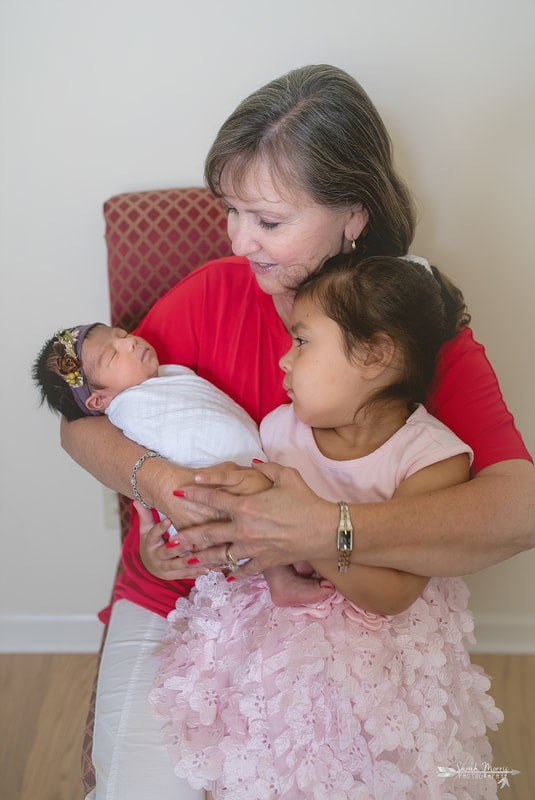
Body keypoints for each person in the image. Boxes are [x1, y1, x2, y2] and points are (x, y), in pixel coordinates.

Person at [58, 64, 534, 800]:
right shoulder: (210, 293)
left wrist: (327, 529)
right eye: (230, 211)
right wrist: (161, 484)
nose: (239, 243)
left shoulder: (403, 331)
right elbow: (81, 429)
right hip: (181, 595)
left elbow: (517, 508)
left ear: (354, 215)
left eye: (269, 221)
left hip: (349, 615)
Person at [148, 253, 504, 799]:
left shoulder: (433, 459)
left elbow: (391, 593)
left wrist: (306, 538)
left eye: (303, 342)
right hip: (277, 636)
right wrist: (178, 547)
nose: (284, 361)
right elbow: (244, 537)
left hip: (378, 651)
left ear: (372, 354)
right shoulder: (278, 431)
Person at [33, 323, 330, 606]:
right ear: (98, 401)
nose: (129, 341)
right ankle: (281, 581)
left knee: (283, 516)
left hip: (250, 467)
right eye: (113, 353)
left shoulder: (166, 376)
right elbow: (81, 435)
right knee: (256, 519)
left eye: (121, 334)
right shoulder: (128, 410)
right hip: (208, 492)